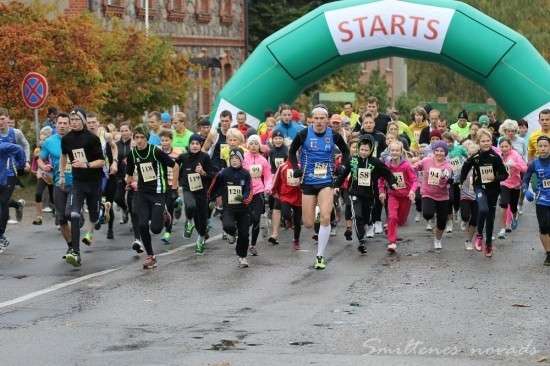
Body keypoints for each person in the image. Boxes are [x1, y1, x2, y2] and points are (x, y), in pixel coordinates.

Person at [289, 105, 350, 270]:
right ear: (312, 119)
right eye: (316, 118)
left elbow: (346, 152)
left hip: (326, 180)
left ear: (327, 120)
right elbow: (292, 151)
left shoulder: (334, 135)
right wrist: (296, 168)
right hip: (308, 180)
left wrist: (342, 166)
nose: (319, 121)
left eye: (322, 118)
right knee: (308, 223)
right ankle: (317, 211)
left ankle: (320, 256)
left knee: (325, 218)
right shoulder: (303, 134)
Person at [126, 125, 178, 269]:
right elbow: (129, 174)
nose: (139, 140)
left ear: (147, 139)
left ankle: (165, 215)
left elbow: (175, 166)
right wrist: (128, 183)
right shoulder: (132, 154)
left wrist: (173, 186)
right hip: (142, 192)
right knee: (142, 224)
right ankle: (151, 256)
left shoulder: (155, 151)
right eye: (136, 137)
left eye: (142, 137)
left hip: (158, 192)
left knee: (155, 229)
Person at [60, 108, 105, 267]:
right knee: (74, 214)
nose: (74, 122)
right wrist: (63, 175)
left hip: (94, 182)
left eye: (77, 119)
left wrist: (85, 164)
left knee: (93, 216)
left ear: (83, 121)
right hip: (78, 182)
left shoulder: (92, 138)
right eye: (72, 119)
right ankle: (75, 252)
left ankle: (99, 212)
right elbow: (64, 156)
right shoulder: (66, 139)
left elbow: (101, 161)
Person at [340, 135, 394, 254]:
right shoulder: (352, 160)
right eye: (362, 149)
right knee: (357, 216)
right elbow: (343, 174)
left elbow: (387, 173)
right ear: (359, 148)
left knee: (365, 217)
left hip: (369, 195)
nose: (363, 152)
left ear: (371, 150)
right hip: (354, 193)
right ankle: (361, 241)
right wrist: (335, 185)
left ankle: (366, 226)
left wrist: (392, 182)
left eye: (366, 150)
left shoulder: (375, 162)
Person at [460, 128, 508, 258]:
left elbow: (505, 175)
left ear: (491, 141)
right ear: (478, 143)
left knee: (490, 219)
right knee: (483, 209)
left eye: (488, 141)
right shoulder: (475, 157)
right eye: (483, 141)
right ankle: (479, 234)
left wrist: (495, 178)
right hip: (479, 187)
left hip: (493, 190)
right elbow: (465, 167)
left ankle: (488, 245)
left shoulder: (495, 157)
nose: (486, 143)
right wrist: (461, 181)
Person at [208, 148, 253, 268]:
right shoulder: (224, 173)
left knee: (244, 235)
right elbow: (213, 186)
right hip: (229, 208)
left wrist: (243, 198)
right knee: (228, 226)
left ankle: (242, 256)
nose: (234, 161)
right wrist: (212, 198)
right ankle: (232, 233)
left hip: (243, 209)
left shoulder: (246, 173)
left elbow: (249, 190)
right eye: (232, 159)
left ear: (241, 160)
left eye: (237, 159)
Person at [38, 113, 73, 258]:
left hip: (76, 183)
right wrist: (44, 167)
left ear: (70, 125)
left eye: (65, 123)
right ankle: (71, 247)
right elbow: (40, 159)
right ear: (56, 125)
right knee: (62, 218)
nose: (63, 126)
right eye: (60, 123)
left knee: (71, 214)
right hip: (58, 183)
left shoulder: (76, 140)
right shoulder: (49, 142)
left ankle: (78, 230)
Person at [176, 134, 215, 254]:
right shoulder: (183, 156)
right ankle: (188, 221)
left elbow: (212, 174)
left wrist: (203, 172)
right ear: (189, 145)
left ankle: (201, 237)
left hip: (202, 191)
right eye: (192, 143)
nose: (194, 146)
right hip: (188, 188)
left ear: (201, 145)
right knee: (190, 206)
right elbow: (173, 165)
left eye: (197, 144)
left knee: (201, 219)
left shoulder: (205, 157)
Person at [377, 141, 416, 253]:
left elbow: (414, 180)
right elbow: (381, 179)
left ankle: (389, 227)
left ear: (401, 152)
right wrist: (381, 192)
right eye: (392, 150)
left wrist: (412, 191)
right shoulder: (387, 165)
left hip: (405, 196)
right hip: (392, 195)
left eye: (396, 150)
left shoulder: (406, 166)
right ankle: (392, 242)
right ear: (389, 152)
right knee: (393, 217)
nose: (394, 152)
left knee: (401, 221)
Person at [414, 141, 453, 250]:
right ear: (433, 151)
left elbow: (447, 178)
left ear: (445, 153)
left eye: (442, 151)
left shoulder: (447, 166)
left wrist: (446, 178)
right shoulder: (427, 161)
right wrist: (414, 167)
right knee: (427, 214)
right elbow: (416, 166)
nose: (439, 153)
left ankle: (438, 239)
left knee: (441, 223)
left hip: (442, 196)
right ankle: (432, 217)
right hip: (428, 193)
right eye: (437, 151)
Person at [522, 135, 550, 266]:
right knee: (544, 227)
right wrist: (525, 190)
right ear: (537, 148)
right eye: (540, 146)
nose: (543, 148)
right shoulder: (534, 164)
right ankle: (549, 254)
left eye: (545, 146)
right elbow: (525, 179)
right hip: (541, 200)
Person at [243, 135, 272, 256]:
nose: (253, 146)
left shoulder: (263, 160)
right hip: (246, 192)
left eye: (256, 144)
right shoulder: (243, 158)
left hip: (258, 192)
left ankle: (253, 245)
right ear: (247, 145)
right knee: (246, 220)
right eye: (251, 143)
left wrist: (268, 187)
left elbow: (268, 176)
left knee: (256, 219)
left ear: (259, 146)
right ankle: (243, 240)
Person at [497, 137, 527, 238]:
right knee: (504, 203)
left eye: (506, 146)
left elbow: (525, 168)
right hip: (504, 183)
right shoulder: (498, 156)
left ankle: (514, 215)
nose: (504, 148)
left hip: (515, 184)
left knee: (513, 206)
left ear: (510, 146)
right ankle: (502, 228)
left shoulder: (515, 154)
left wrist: (515, 165)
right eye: (502, 146)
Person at [271, 158, 302, 250]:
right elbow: (276, 179)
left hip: (298, 196)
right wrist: (274, 191)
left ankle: (296, 240)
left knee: (298, 221)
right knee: (285, 214)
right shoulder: (283, 166)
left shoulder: (301, 166)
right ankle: (289, 221)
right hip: (285, 195)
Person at [0, 141, 25, 252]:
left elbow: (19, 148)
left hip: (6, 179)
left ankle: (1, 236)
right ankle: (18, 204)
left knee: (3, 202)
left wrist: (21, 166)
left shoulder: (3, 146)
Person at [267, 130, 288, 245]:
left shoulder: (287, 151)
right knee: (274, 204)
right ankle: (274, 234)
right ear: (272, 140)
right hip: (275, 181)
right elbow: (268, 167)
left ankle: (288, 221)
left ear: (283, 140)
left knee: (283, 208)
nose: (278, 140)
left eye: (280, 138)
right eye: (276, 138)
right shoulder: (271, 152)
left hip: (286, 182)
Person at [159, 129, 180, 244]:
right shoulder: (157, 151)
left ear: (171, 140)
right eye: (162, 140)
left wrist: (177, 185)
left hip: (173, 183)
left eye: (167, 140)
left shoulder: (177, 153)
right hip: (161, 183)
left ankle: (168, 231)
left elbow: (180, 168)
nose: (164, 143)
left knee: (169, 207)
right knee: (162, 207)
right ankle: (178, 203)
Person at [443, 132, 467, 232]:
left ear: (453, 141)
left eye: (450, 141)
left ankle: (456, 211)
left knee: (457, 200)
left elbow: (468, 156)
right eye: (446, 142)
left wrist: (463, 162)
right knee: (449, 199)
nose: (448, 144)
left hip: (458, 179)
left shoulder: (460, 149)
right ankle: (449, 222)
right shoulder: (441, 151)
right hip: (448, 180)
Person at [32, 126, 54, 225]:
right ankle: (39, 217)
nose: (42, 141)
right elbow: (35, 161)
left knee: (54, 198)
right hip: (43, 175)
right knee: (38, 193)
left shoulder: (54, 146)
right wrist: (35, 169)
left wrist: (51, 166)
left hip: (54, 175)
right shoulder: (38, 149)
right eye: (41, 139)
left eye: (44, 139)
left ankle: (58, 215)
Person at [460, 142, 480, 250]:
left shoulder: (482, 165)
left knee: (475, 219)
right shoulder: (465, 164)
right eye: (470, 154)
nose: (472, 157)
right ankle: (463, 219)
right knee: (465, 216)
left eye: (474, 154)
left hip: (478, 195)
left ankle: (468, 240)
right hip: (465, 194)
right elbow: (458, 174)